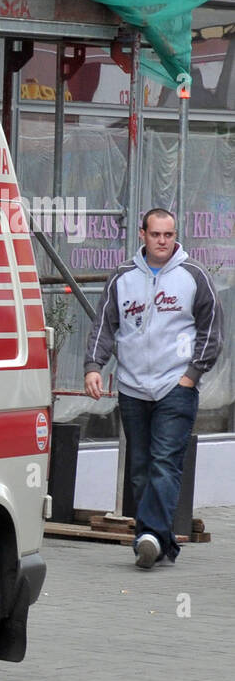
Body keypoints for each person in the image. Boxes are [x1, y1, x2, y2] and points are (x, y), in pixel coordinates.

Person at [84, 208, 224, 568]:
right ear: (143, 235)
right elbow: (104, 325)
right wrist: (93, 367)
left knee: (165, 464)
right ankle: (160, 542)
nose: (163, 241)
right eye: (157, 234)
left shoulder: (194, 277)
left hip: (176, 386)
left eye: (169, 235)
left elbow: (212, 331)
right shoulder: (123, 277)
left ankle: (146, 537)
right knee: (141, 468)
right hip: (132, 387)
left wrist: (191, 374)